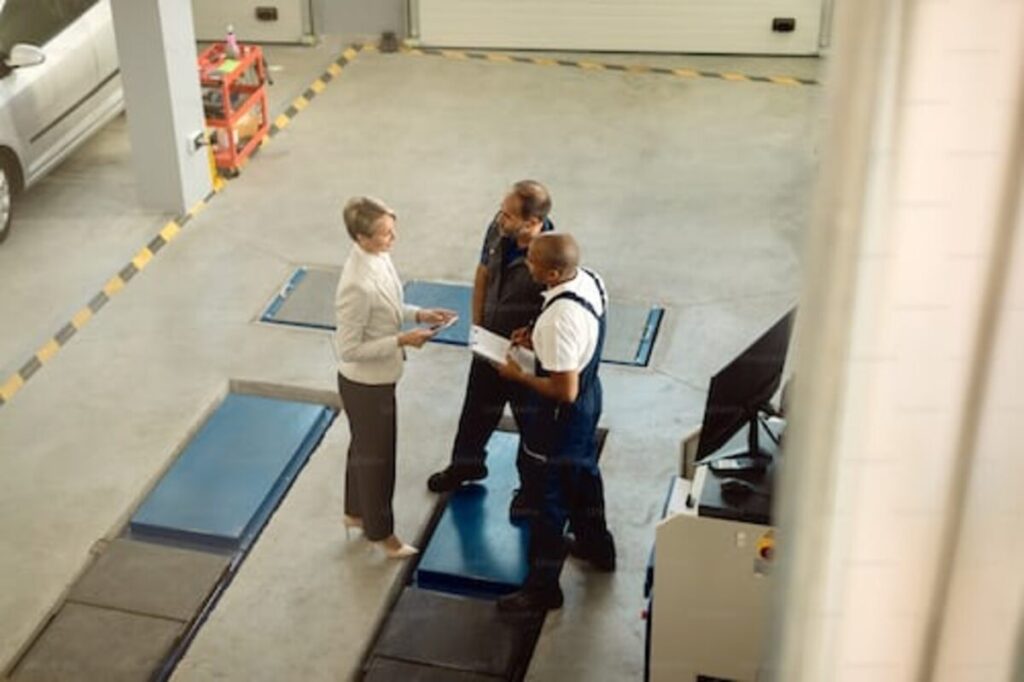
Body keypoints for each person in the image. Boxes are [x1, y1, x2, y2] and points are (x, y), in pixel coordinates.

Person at [493, 233, 616, 612]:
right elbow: (576, 346)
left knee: (548, 502)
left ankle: (542, 589)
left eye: (532, 262)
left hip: (560, 419)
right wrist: (535, 339)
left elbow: (563, 390)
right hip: (590, 400)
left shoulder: (558, 322)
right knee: (584, 474)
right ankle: (599, 549)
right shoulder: (590, 281)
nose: (527, 265)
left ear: (552, 272)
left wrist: (519, 376)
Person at [335, 196, 456, 559]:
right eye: (386, 234)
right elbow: (349, 348)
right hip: (366, 385)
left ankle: (355, 513)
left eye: (392, 229)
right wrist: (402, 340)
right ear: (361, 237)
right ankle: (382, 535)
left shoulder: (377, 257)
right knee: (379, 460)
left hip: (377, 380)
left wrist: (418, 315)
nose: (394, 238)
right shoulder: (355, 285)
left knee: (363, 449)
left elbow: (384, 309)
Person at [426, 180, 554, 519]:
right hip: (489, 341)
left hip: (524, 356)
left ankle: (531, 492)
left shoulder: (548, 255)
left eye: (509, 215)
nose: (500, 218)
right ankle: (466, 465)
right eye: (502, 209)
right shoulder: (498, 231)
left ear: (532, 223)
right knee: (476, 410)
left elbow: (555, 311)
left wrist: (528, 346)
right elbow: (483, 273)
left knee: (532, 424)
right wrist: (478, 325)